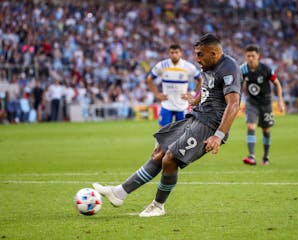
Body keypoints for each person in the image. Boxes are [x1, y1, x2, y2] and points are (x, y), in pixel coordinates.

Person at [93, 33, 241, 217]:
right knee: (159, 153)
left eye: (200, 54)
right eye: (196, 54)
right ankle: (118, 193)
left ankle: (158, 205)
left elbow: (234, 104)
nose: (197, 59)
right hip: (196, 116)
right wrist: (195, 101)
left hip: (210, 125)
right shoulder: (208, 65)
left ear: (214, 53)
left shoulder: (229, 68)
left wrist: (218, 136)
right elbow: (210, 91)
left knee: (169, 159)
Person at [240, 44, 284, 166]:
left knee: (265, 129)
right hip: (251, 102)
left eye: (253, 56)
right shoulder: (242, 69)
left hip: (265, 102)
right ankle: (252, 156)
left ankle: (265, 157)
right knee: (250, 126)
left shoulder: (266, 69)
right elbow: (238, 85)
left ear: (258, 56)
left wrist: (280, 100)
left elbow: (277, 84)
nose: (250, 58)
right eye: (248, 56)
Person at [146, 44, 202, 127]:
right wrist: (157, 94)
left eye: (176, 52)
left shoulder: (188, 66)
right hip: (167, 104)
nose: (174, 55)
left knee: (182, 134)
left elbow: (201, 79)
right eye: (172, 52)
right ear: (169, 53)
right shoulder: (162, 65)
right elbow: (149, 79)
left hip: (182, 106)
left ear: (181, 53)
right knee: (163, 133)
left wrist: (193, 93)